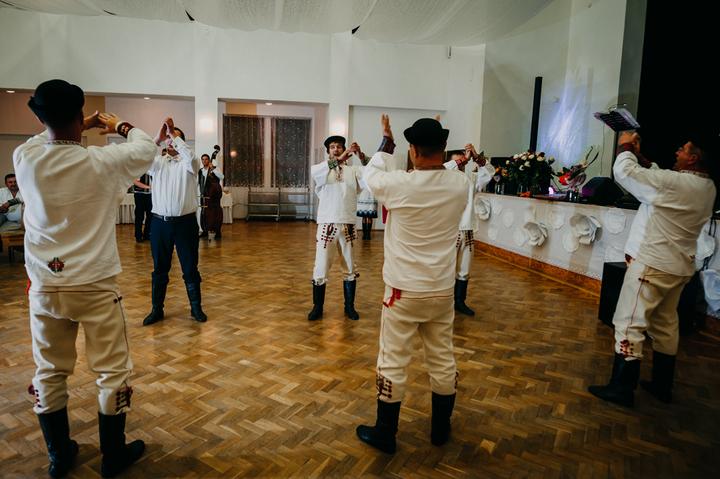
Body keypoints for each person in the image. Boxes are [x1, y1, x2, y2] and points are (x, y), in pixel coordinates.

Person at [14, 79, 157, 478]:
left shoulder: (25, 158)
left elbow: (41, 138)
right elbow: (146, 147)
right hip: (95, 285)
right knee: (111, 371)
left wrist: (75, 123)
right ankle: (113, 454)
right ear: (80, 117)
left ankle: (59, 455)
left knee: (49, 370)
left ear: (41, 119)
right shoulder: (102, 162)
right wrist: (116, 125)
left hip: (46, 286)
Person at [356, 115, 469, 454]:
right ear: (443, 148)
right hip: (442, 290)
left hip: (402, 292)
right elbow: (442, 174)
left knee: (392, 360)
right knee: (442, 358)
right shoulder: (460, 184)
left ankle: (385, 432)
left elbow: (369, 174)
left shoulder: (399, 185)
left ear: (413, 151)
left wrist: (386, 142)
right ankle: (440, 429)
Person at [588, 131, 716, 407]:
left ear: (693, 158)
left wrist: (625, 146)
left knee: (629, 322)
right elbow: (657, 178)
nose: (677, 152)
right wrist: (641, 157)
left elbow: (625, 173)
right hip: (679, 267)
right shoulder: (707, 187)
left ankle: (622, 388)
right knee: (665, 324)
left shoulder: (675, 184)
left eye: (683, 149)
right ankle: (661, 384)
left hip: (652, 267)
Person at [142, 118, 207, 326]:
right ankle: (156, 309)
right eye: (168, 138)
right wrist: (157, 139)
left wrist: (174, 136)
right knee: (160, 268)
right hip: (159, 225)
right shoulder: (156, 163)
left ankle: (196, 308)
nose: (170, 140)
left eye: (174, 137)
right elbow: (140, 157)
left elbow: (192, 158)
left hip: (185, 224)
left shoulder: (190, 164)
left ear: (181, 141)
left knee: (190, 268)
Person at [307, 135, 367, 321]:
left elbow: (370, 177)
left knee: (350, 266)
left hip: (348, 223)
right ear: (328, 151)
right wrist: (339, 160)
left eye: (339, 146)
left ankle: (349, 306)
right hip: (327, 223)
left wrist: (361, 156)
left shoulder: (353, 171)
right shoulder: (322, 169)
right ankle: (317, 307)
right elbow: (315, 173)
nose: (336, 149)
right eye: (332, 147)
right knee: (321, 266)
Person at [444, 145, 495, 315]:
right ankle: (444, 303)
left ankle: (459, 301)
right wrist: (463, 160)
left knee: (464, 269)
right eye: (457, 162)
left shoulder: (470, 181)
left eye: (462, 163)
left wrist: (477, 158)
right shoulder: (442, 180)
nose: (460, 166)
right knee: (446, 268)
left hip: (467, 230)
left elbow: (489, 173)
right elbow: (443, 169)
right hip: (448, 232)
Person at [199, 151, 224, 239]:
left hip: (213, 196)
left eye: (206, 159)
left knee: (216, 213)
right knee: (204, 213)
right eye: (203, 159)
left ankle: (217, 231)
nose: (204, 161)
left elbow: (222, 177)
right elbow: (199, 182)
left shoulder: (215, 168)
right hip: (204, 194)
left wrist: (213, 168)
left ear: (209, 160)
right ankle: (205, 230)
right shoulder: (200, 171)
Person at [132, 172, 152, 242]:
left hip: (151, 194)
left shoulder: (153, 168)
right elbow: (135, 181)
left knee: (150, 216)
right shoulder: (139, 168)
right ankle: (138, 236)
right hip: (140, 194)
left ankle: (147, 234)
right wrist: (149, 187)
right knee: (139, 216)